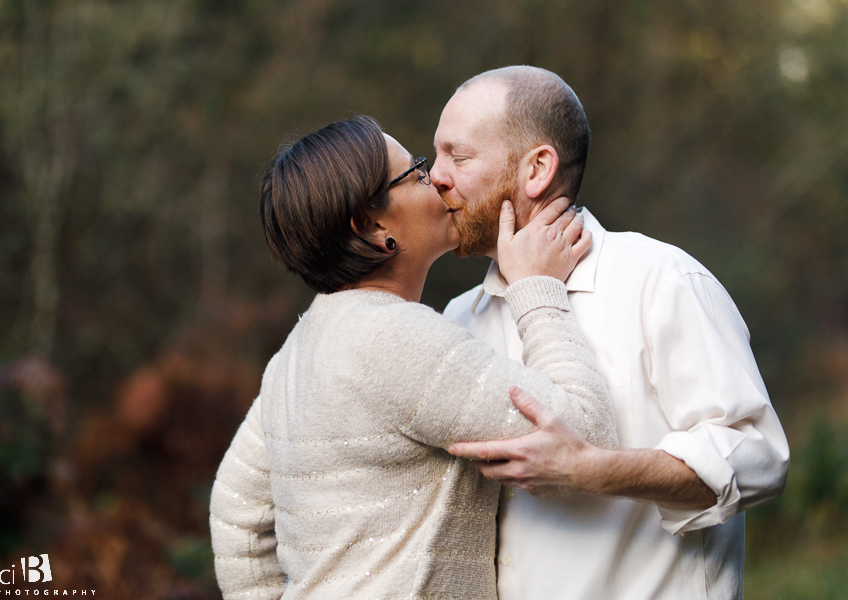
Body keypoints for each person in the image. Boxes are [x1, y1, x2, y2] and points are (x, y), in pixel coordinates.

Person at [209, 116, 618, 600]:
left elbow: (235, 510)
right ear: (373, 224)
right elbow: (585, 436)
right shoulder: (396, 340)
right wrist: (538, 289)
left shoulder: (295, 354)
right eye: (418, 172)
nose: (440, 179)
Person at [435, 66, 790, 600]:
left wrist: (589, 470)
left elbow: (756, 455)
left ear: (537, 169)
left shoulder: (663, 281)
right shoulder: (457, 320)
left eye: (457, 157)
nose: (434, 177)